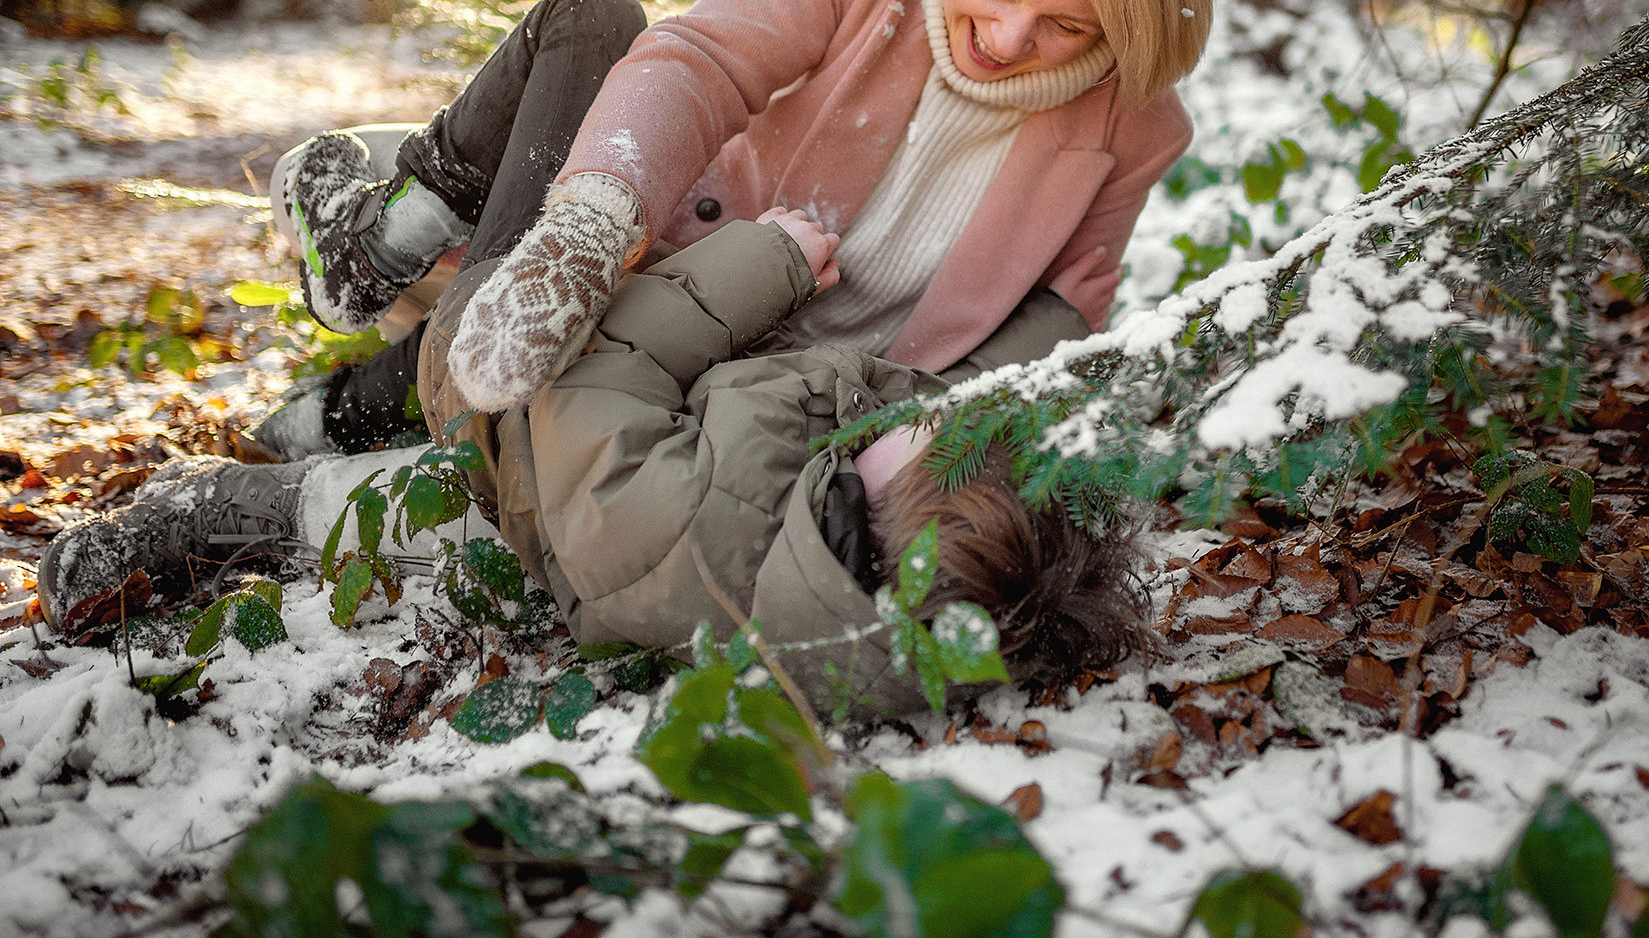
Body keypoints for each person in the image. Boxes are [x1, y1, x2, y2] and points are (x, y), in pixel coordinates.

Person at [258, 0, 1213, 460]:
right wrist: (592, 227)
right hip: (679, 258)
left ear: (1121, 32)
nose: (1010, 40)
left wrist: (913, 426)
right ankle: (384, 302)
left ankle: (366, 397)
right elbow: (703, 63)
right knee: (593, 25)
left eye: (1068, 26)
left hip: (796, 382)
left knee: (530, 411)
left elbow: (1060, 316)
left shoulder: (1135, 126)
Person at [37, 207, 1154, 712]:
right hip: (567, 512)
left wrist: (759, 262)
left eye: (921, 438)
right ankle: (313, 425)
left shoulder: (715, 511)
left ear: (884, 506)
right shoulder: (857, 602)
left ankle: (196, 505)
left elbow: (590, 383)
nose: (912, 408)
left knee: (318, 508)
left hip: (507, 444)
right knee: (340, 499)